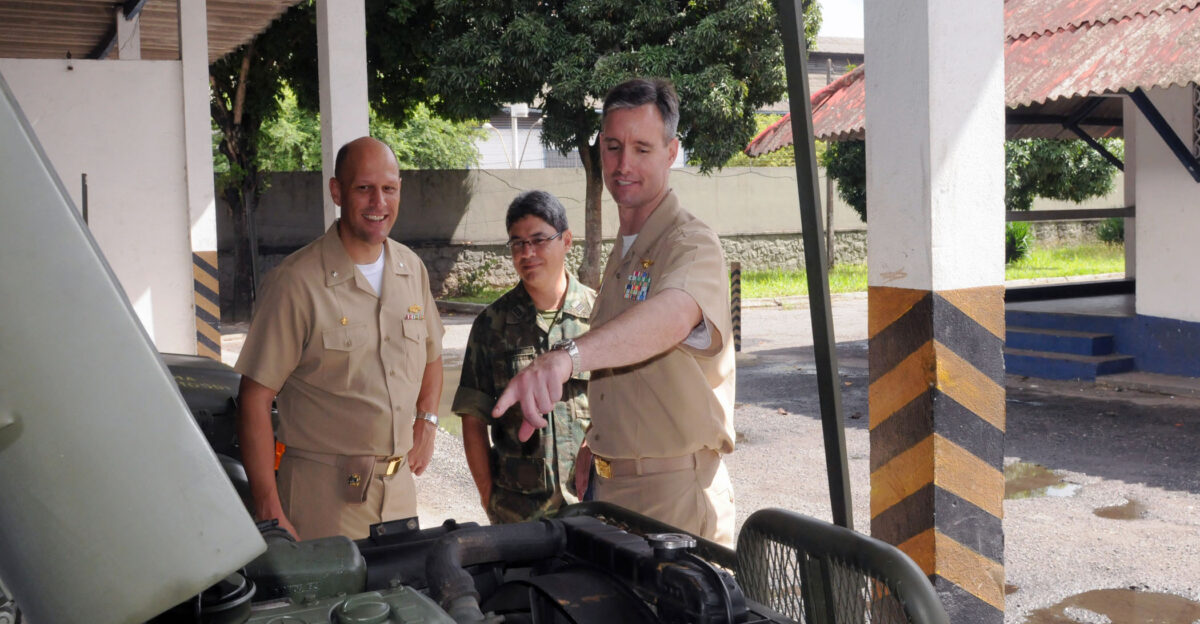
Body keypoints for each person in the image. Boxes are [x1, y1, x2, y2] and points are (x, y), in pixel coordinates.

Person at [492, 78, 737, 546]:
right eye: (613, 146)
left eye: (642, 148)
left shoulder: (690, 242)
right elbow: (632, 376)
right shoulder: (625, 250)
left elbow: (672, 315)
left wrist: (565, 357)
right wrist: (596, 443)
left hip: (673, 497)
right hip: (612, 488)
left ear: (671, 152)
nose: (624, 164)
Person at [235, 136, 444, 541]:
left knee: (401, 603)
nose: (378, 203)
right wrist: (269, 509)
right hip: (321, 503)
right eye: (364, 188)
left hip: (399, 497)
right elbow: (254, 399)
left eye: (389, 189)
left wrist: (428, 421)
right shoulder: (296, 282)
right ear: (337, 191)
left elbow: (432, 353)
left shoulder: (411, 270)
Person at [453, 190, 595, 524]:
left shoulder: (599, 317)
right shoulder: (491, 325)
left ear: (567, 241)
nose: (527, 253)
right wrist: (490, 499)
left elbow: (622, 406)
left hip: (593, 510)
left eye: (538, 240)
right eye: (517, 243)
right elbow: (473, 420)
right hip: (519, 518)